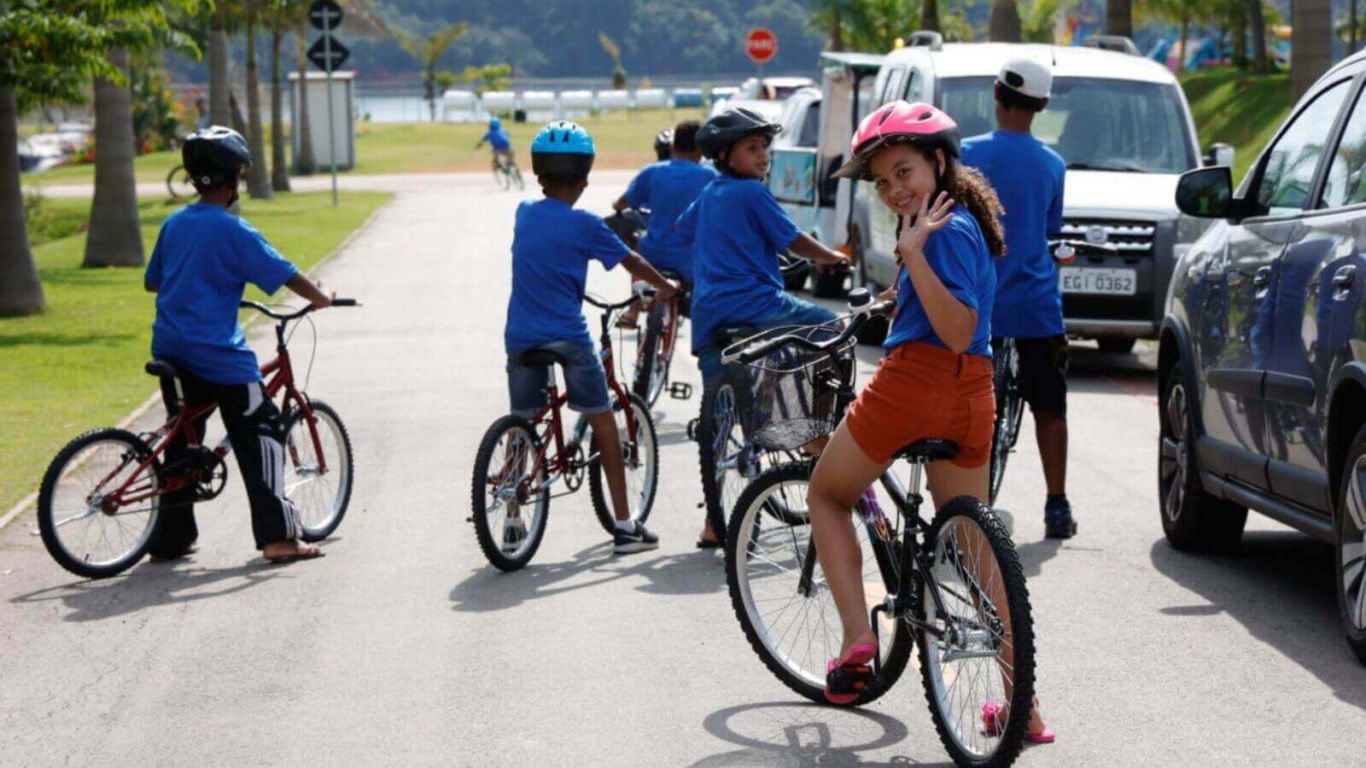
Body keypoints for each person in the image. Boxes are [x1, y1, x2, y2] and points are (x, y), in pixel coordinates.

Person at [811, 101, 1052, 742]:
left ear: (939, 162)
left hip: (915, 385)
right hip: (973, 396)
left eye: (904, 172)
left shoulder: (935, 230)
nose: (894, 189)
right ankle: (1023, 707)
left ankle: (857, 639)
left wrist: (911, 257)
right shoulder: (958, 218)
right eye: (882, 181)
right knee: (976, 549)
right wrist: (899, 292)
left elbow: (958, 328)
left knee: (827, 493)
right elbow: (960, 313)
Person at [143, 126, 333, 564]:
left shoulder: (175, 223)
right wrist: (323, 296)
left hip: (170, 347)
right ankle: (278, 537)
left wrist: (201, 283)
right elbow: (287, 275)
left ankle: (172, 539)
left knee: (183, 437)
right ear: (233, 181)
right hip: (217, 355)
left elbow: (154, 281)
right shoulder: (235, 231)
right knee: (262, 429)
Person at [677, 106, 848, 547]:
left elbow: (683, 229)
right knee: (830, 327)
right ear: (723, 155)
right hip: (758, 305)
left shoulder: (710, 192)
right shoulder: (752, 193)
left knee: (718, 420)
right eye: (752, 148)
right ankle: (814, 426)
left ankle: (713, 523)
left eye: (764, 147)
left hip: (711, 316)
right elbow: (793, 240)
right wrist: (832, 257)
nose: (763, 155)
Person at [505, 120, 678, 554]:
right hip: (567, 336)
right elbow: (632, 261)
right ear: (584, 180)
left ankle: (511, 514)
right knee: (603, 420)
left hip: (520, 335)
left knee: (524, 419)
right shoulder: (586, 224)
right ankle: (624, 525)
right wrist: (666, 287)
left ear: (539, 177)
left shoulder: (524, 212)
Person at [960, 57, 1075, 539]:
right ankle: (1057, 505)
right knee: (1050, 408)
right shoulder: (1053, 164)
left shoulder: (964, 153)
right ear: (1043, 104)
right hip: (1035, 307)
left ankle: (968, 504)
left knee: (969, 409)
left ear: (996, 93)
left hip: (975, 305)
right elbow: (1050, 232)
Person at [612, 119, 716, 327]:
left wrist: (616, 205)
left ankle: (633, 310)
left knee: (637, 245)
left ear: (672, 147)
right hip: (692, 263)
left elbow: (623, 202)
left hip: (653, 255)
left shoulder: (652, 171)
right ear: (701, 151)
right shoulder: (710, 176)